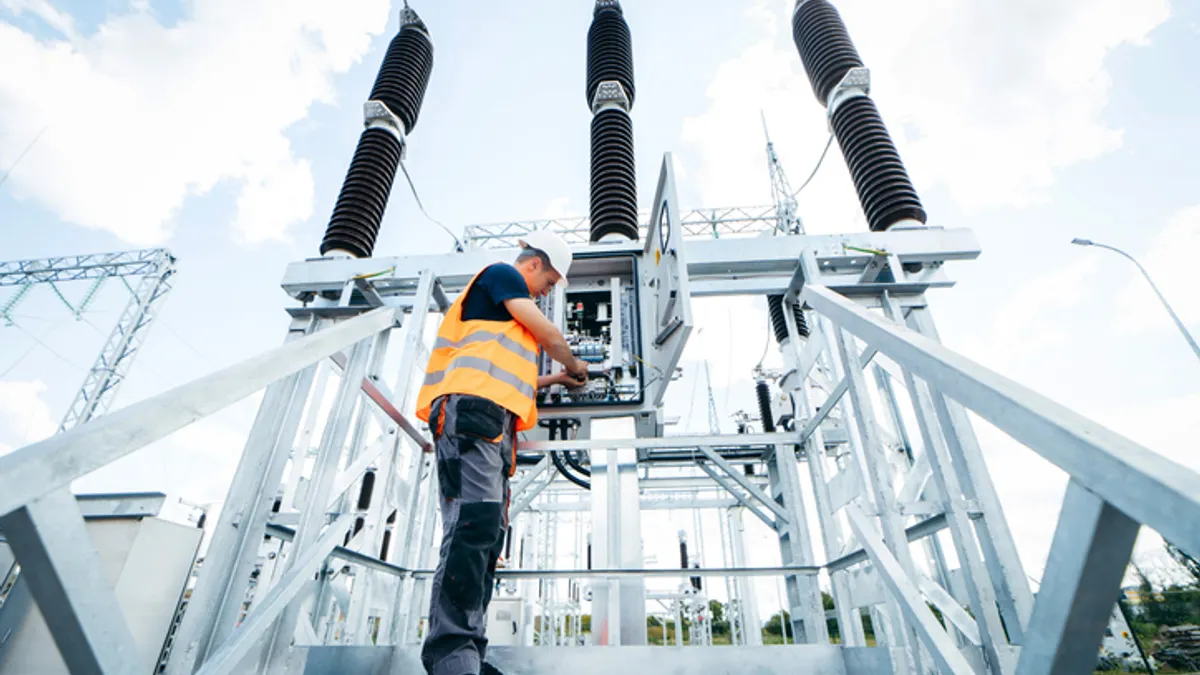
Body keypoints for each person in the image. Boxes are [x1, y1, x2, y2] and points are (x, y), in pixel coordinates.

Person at [415, 230, 588, 675]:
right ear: (533, 265)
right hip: (471, 414)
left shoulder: (500, 322)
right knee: (473, 525)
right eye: (548, 283)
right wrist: (574, 366)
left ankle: (469, 650)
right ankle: (451, 654)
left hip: (489, 420)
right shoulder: (501, 275)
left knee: (487, 535)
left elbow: (513, 379)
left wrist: (556, 382)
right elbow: (549, 335)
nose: (547, 293)